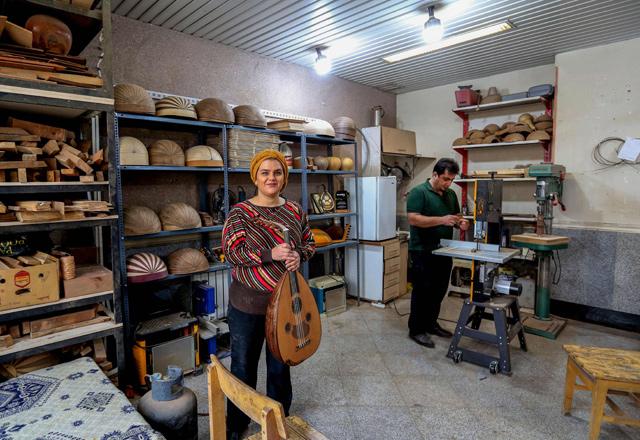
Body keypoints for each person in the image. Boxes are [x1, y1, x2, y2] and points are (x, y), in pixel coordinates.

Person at [221, 149, 315, 440]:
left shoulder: (295, 211)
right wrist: (269, 253)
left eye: (277, 172)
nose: (271, 178)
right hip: (248, 304)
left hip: (285, 304)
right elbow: (231, 252)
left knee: (280, 366)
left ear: (284, 177)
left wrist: (299, 255)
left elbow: (309, 244)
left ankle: (278, 421)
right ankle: (237, 427)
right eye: (265, 172)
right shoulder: (241, 213)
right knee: (242, 369)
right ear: (255, 177)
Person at [406, 158, 469, 348]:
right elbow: (414, 219)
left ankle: (431, 324)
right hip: (422, 251)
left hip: (444, 250)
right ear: (434, 174)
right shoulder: (419, 192)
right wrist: (442, 220)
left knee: (439, 290)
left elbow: (456, 217)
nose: (448, 183)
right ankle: (416, 329)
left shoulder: (450, 195)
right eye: (445, 179)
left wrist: (461, 223)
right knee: (422, 291)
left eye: (451, 180)